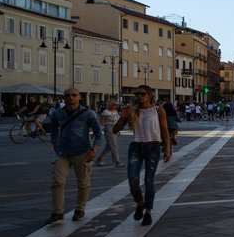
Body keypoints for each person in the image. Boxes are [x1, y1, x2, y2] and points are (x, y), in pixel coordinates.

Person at [113, 84, 171, 226]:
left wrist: (168, 149)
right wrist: (122, 117)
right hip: (136, 147)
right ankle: (140, 203)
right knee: (132, 180)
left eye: (142, 94)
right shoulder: (132, 110)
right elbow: (115, 130)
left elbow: (164, 130)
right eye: (137, 94)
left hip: (153, 147)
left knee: (148, 181)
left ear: (150, 95)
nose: (139, 96)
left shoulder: (158, 110)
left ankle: (148, 213)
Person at [47, 88, 103, 224]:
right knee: (57, 181)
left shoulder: (89, 113)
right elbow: (53, 130)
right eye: (67, 96)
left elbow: (98, 133)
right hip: (63, 152)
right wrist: (54, 142)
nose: (70, 98)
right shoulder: (57, 114)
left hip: (82, 151)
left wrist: (94, 149)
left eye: (74, 95)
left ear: (79, 97)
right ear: (64, 98)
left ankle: (80, 209)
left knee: (83, 182)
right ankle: (57, 212)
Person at [95, 101, 125, 167]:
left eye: (117, 105)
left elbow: (117, 121)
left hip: (116, 129)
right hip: (109, 129)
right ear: (110, 104)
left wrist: (119, 130)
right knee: (114, 146)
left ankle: (99, 159)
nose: (116, 106)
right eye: (114, 104)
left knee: (109, 147)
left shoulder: (116, 111)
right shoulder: (105, 112)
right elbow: (100, 122)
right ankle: (117, 161)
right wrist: (96, 131)